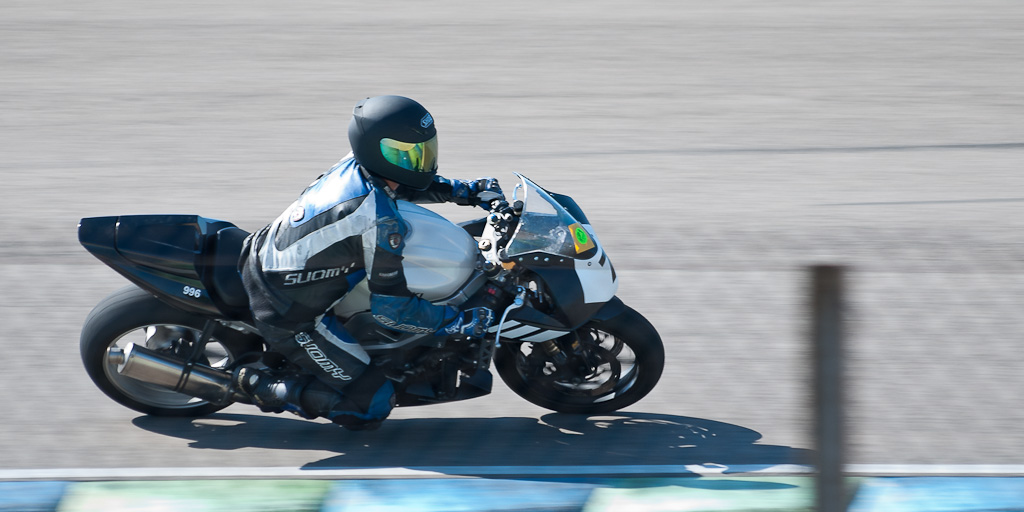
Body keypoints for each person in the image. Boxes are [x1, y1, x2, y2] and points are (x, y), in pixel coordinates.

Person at [235, 95, 499, 429]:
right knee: (372, 403)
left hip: (272, 254)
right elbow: (392, 310)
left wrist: (466, 191)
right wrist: (456, 321)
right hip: (286, 310)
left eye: (423, 151)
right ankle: (263, 386)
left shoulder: (356, 164)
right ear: (376, 150)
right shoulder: (377, 218)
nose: (420, 162)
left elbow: (404, 183)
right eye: (405, 154)